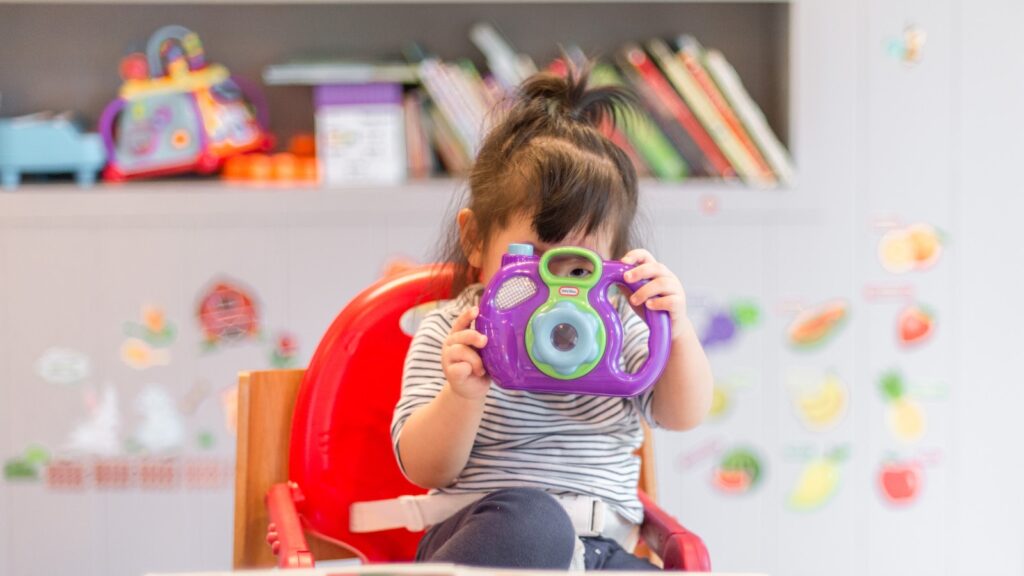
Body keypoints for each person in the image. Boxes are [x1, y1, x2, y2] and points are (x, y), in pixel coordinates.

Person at [390, 59, 713, 571]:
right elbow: (423, 465)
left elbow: (683, 414)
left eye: (577, 266)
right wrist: (462, 394)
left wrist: (675, 330)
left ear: (611, 263)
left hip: (603, 549)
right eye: (535, 258)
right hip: (493, 536)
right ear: (476, 239)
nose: (556, 289)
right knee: (533, 522)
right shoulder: (456, 333)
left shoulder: (618, 327)